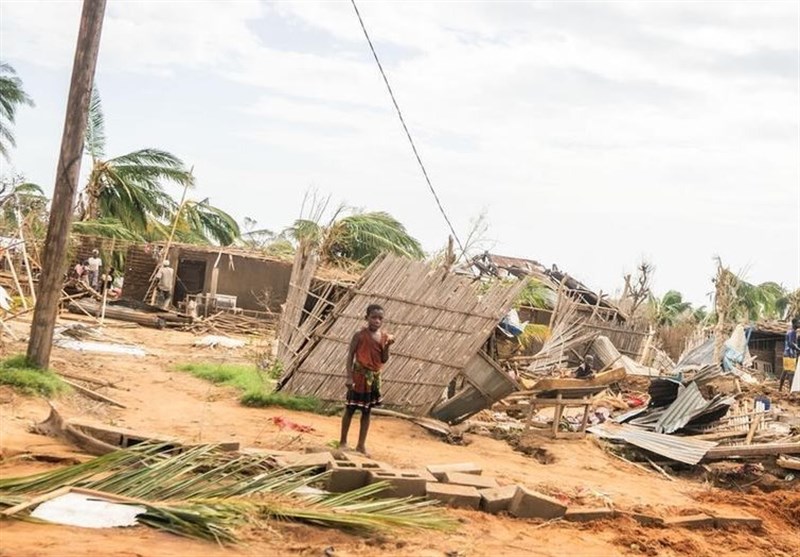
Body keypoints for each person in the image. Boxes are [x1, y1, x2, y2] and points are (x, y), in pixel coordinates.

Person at [339, 304, 395, 455]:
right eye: (374, 317)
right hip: (359, 376)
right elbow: (350, 355)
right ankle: (343, 442)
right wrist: (349, 377)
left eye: (380, 318)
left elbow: (384, 359)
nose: (377, 321)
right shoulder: (359, 335)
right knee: (350, 409)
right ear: (366, 318)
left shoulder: (384, 337)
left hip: (373, 379)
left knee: (367, 411)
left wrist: (388, 346)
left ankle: (361, 445)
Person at [781, 319, 800, 391]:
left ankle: (780, 389)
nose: (799, 325)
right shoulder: (793, 332)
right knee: (791, 373)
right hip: (791, 354)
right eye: (798, 323)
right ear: (794, 323)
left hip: (786, 354)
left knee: (785, 371)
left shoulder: (788, 331)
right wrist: (798, 349)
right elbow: (791, 344)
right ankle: (790, 390)